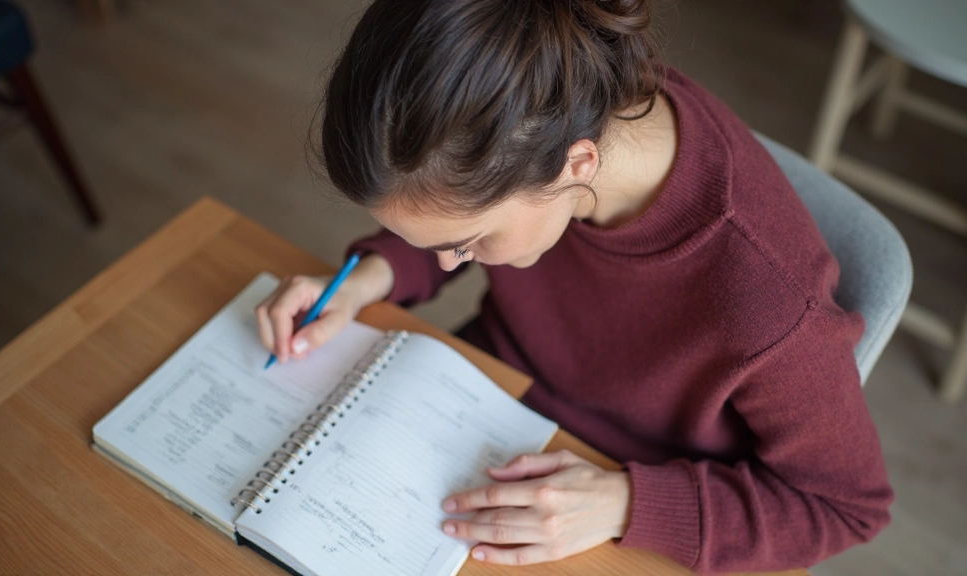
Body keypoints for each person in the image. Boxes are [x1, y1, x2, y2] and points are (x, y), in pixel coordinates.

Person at [255, 0, 893, 572]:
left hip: (622, 504)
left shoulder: (773, 303)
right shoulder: (558, 106)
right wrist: (366, 280)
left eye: (469, 243)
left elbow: (846, 507)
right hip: (478, 401)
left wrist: (626, 502)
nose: (450, 265)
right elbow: (442, 209)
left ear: (576, 165)